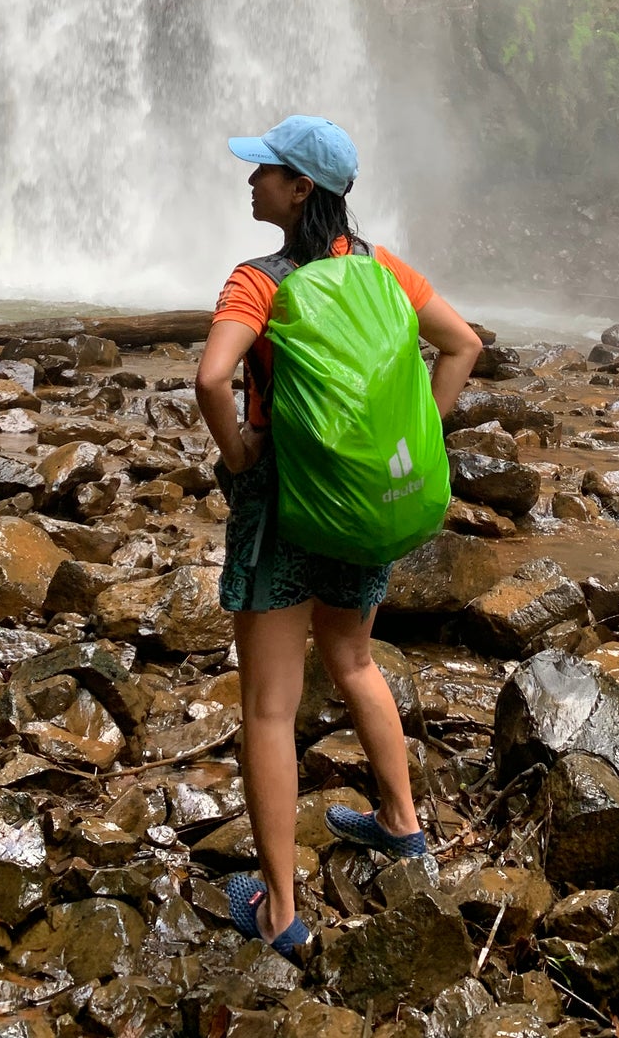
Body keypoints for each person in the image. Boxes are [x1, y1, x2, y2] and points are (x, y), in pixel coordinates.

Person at [195, 114, 483, 957]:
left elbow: (213, 377)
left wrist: (240, 450)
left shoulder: (260, 281)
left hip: (283, 508)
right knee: (353, 659)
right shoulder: (381, 268)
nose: (251, 181)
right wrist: (415, 437)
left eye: (265, 171)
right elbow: (463, 343)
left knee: (271, 707)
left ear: (301, 189)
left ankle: (279, 911)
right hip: (365, 504)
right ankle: (400, 821)